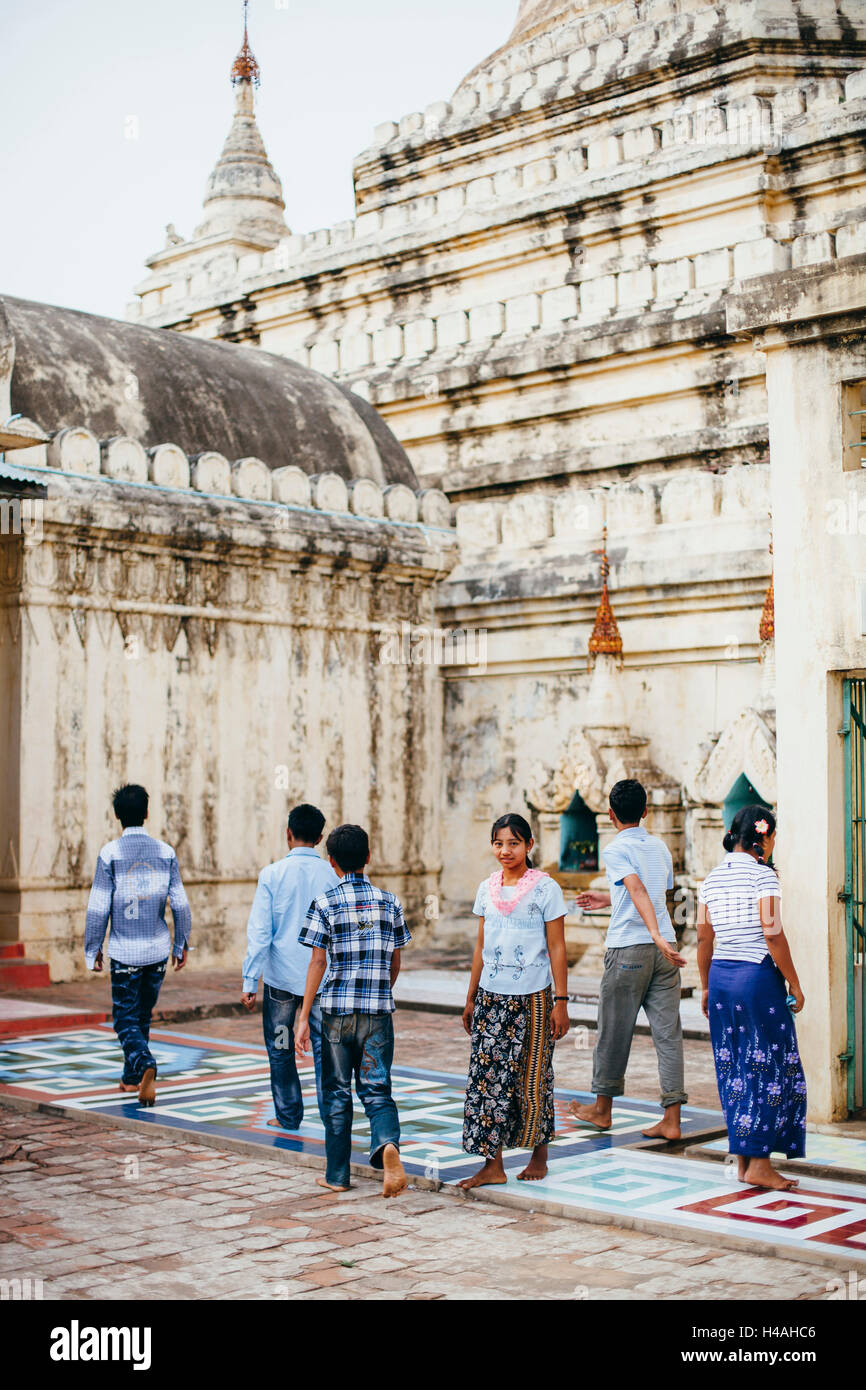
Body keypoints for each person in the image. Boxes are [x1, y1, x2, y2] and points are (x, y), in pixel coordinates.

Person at [295, 824, 410, 1198]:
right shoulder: (390, 902)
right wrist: (380, 991)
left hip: (336, 1016)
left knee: (337, 1091)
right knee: (377, 1089)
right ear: (369, 857)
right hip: (377, 1013)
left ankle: (338, 1175)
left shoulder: (325, 903)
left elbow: (317, 963)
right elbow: (395, 962)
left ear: (332, 863)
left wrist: (303, 1015)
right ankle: (387, 1145)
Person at [570, 779, 688, 1140]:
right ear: (646, 810)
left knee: (613, 1029)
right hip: (665, 948)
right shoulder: (660, 847)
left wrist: (649, 932)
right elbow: (653, 891)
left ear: (610, 815)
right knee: (668, 1034)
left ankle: (602, 1109)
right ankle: (672, 1119)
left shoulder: (615, 848)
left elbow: (637, 889)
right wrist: (609, 900)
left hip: (630, 949)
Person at [697, 804, 806, 1191]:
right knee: (768, 1066)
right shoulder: (764, 878)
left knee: (736, 1068)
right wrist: (794, 982)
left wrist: (706, 985)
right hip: (756, 979)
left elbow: (703, 937)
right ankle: (759, 1162)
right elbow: (772, 934)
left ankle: (745, 1159)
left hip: (723, 979)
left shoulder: (709, 879)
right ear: (765, 839)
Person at [459, 812, 570, 1189]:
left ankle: (539, 1153)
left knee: (533, 1075)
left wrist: (562, 1000)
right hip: (491, 997)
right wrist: (471, 996)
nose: (505, 851)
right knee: (488, 1078)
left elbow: (557, 947)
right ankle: (494, 1164)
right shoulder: (485, 888)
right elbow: (480, 945)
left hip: (535, 998)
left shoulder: (546, 889)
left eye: (514, 843)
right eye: (499, 843)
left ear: (529, 846)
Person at [84, 784, 190, 1107]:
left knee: (124, 1018)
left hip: (125, 952)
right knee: (141, 1014)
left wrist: (93, 948)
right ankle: (132, 1079)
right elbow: (181, 905)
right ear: (147, 813)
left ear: (117, 816)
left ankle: (144, 1064)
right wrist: (181, 944)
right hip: (157, 951)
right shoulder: (165, 852)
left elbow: (99, 907)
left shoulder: (110, 853)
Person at [241, 803, 338, 1131]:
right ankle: (331, 1118)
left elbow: (260, 932)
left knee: (281, 1047)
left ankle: (288, 1114)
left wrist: (249, 979)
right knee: (326, 1051)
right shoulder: (331, 875)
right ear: (321, 838)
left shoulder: (271, 874)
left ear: (288, 834)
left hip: (281, 978)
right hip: (322, 978)